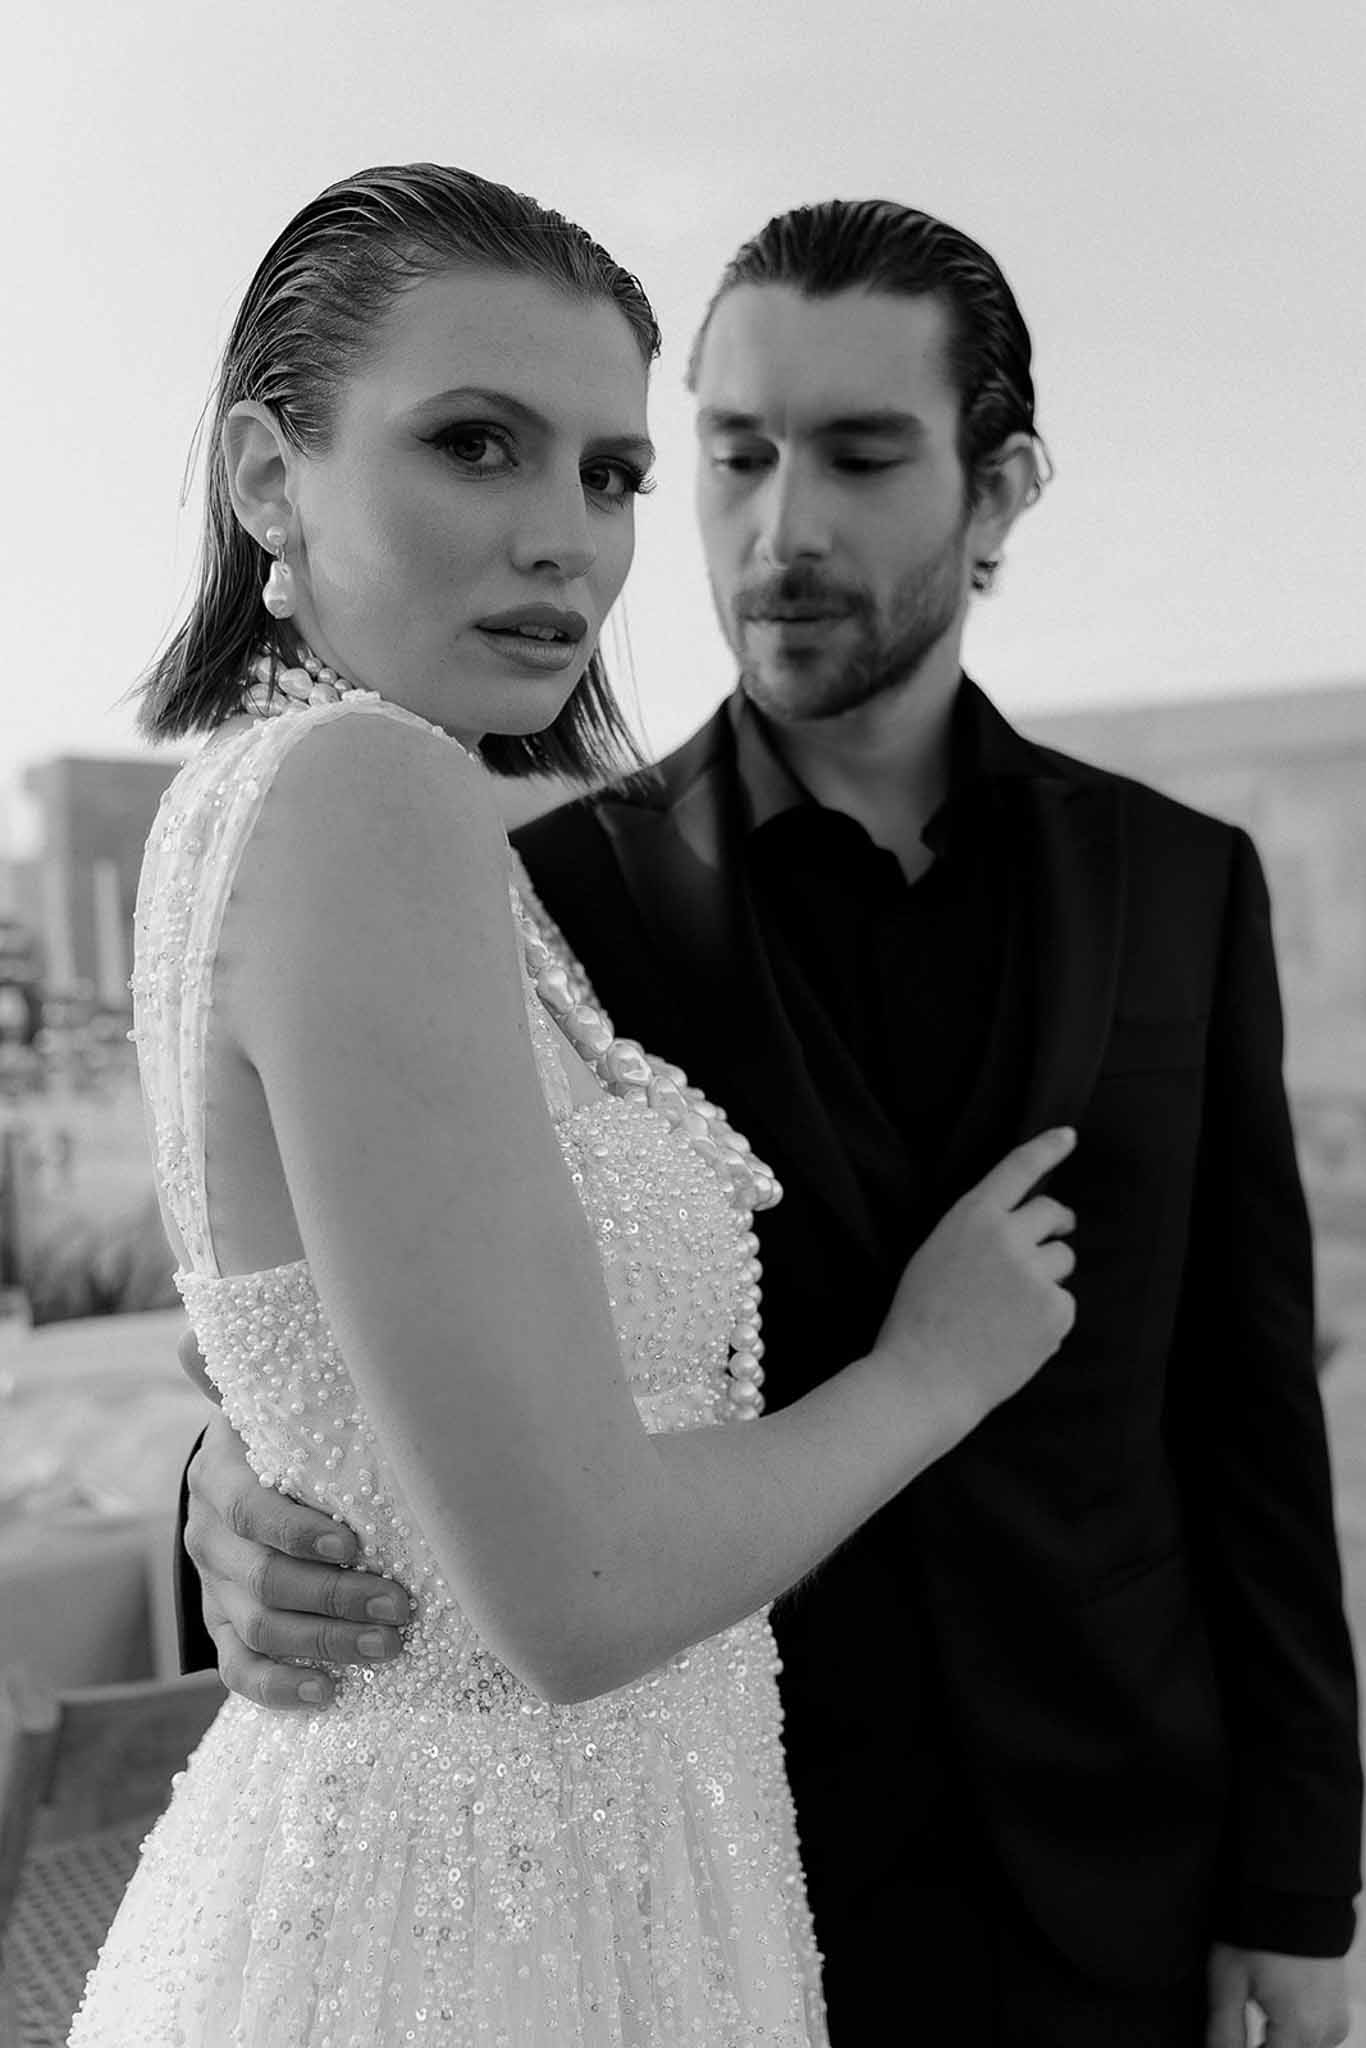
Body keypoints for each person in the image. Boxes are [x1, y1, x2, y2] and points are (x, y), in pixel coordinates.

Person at [176, 198, 1363, 2047]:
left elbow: (1244, 1397)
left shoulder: (1181, 882)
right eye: (729, 457)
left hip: (1122, 1866)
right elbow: (343, 1288)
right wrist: (230, 1488)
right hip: (715, 1868)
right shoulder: (539, 881)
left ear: (997, 491)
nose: (776, 528)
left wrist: (1301, 1879)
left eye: (862, 455)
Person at [66, 168, 1079, 2047]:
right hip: (488, 1922)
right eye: (476, 445)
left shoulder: (437, 826)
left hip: (824, 1860)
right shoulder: (373, 798)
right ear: (268, 475)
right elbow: (570, 1566)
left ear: (990, 491)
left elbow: (369, 1321)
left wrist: (258, 1466)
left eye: (608, 474)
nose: (565, 541)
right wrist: (941, 1366)